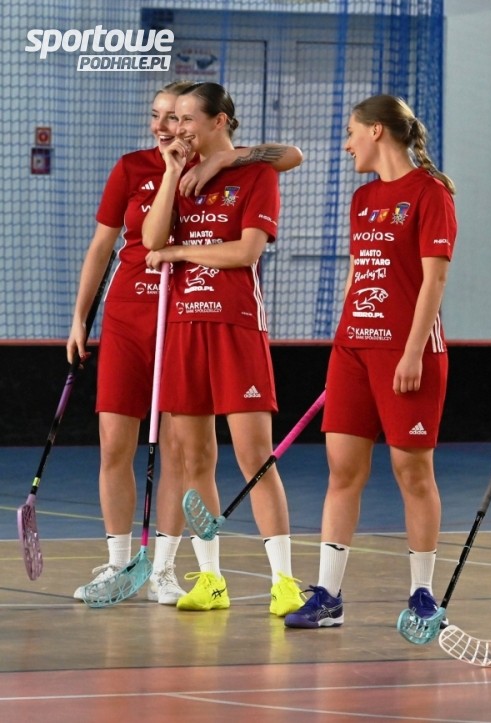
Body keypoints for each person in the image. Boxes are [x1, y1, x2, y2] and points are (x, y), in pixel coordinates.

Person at [67, 80, 303, 606]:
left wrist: (220, 160)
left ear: (209, 121)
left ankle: (179, 569)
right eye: (162, 116)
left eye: (178, 117)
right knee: (138, 446)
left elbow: (289, 158)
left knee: (216, 453)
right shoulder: (145, 170)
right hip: (149, 320)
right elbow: (127, 243)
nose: (167, 127)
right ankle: (137, 565)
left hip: (212, 322)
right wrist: (79, 318)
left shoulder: (236, 170)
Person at [284, 94, 457, 629]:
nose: (346, 144)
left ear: (377, 131)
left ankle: (423, 594)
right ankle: (328, 596)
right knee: (342, 471)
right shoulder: (362, 199)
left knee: (413, 472)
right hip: (353, 352)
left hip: (407, 353)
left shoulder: (431, 193)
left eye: (351, 132)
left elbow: (434, 280)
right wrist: (345, 345)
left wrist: (412, 352)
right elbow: (359, 272)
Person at [142, 81, 303, 616]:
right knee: (193, 460)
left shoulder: (256, 174)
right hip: (184, 327)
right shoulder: (179, 176)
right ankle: (210, 579)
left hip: (236, 326)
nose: (178, 128)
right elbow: (151, 240)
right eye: (175, 119)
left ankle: (284, 581)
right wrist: (171, 174)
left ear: (219, 121)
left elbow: (244, 252)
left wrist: (181, 252)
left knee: (255, 457)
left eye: (188, 118)